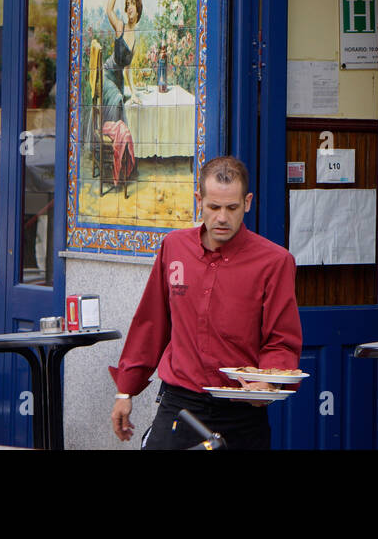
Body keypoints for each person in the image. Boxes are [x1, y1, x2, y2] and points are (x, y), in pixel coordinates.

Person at [109, 155, 302, 449]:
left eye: (232, 208)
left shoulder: (275, 261)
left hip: (242, 411)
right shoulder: (174, 246)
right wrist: (126, 390)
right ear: (198, 199)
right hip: (180, 403)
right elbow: (152, 321)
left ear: (247, 202)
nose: (222, 218)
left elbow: (282, 339)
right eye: (213, 207)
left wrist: (267, 382)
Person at [100, 0, 141, 185]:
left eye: (132, 6)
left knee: (124, 99)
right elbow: (109, 9)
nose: (128, 9)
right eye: (127, 6)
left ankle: (122, 160)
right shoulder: (121, 27)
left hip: (118, 80)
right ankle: (116, 160)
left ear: (138, 10)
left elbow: (127, 70)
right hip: (107, 77)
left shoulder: (136, 37)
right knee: (117, 99)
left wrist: (133, 93)